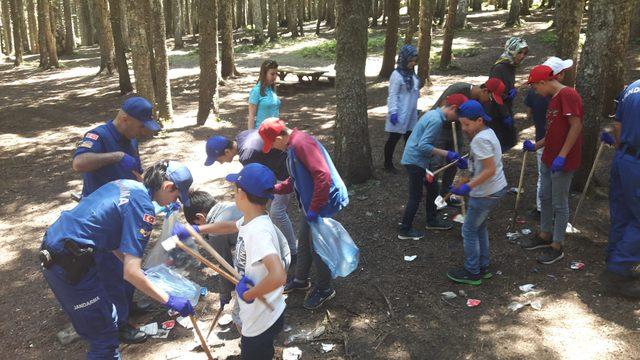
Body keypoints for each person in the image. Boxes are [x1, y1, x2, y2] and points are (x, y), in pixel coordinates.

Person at [40, 161, 195, 359]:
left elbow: (111, 238)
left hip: (62, 247)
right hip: (67, 261)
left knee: (108, 318)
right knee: (104, 338)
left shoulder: (126, 184)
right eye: (177, 195)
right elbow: (130, 273)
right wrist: (169, 300)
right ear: (166, 186)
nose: (177, 201)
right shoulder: (144, 209)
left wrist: (141, 273)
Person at [71, 96, 161, 343]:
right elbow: (78, 163)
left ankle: (128, 305)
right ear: (124, 119)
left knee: (132, 260)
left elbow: (135, 172)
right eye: (141, 126)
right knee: (111, 270)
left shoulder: (131, 138)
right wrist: (116, 156)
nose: (143, 132)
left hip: (126, 212)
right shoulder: (98, 136)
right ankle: (118, 325)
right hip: (102, 218)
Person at [176, 164, 288, 358]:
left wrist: (251, 293)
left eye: (234, 190)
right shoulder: (250, 220)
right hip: (263, 312)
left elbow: (279, 276)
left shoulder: (258, 232)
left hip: (261, 319)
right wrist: (197, 230)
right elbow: (229, 226)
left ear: (242, 193)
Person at [259, 118, 349, 309]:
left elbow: (322, 176)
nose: (274, 149)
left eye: (272, 144)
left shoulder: (302, 144)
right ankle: (301, 279)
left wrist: (315, 209)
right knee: (304, 240)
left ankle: (325, 289)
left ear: (278, 137)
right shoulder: (292, 147)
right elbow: (295, 180)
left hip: (323, 201)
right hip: (312, 204)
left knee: (318, 247)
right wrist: (274, 188)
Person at [203, 131, 297, 264]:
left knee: (277, 212)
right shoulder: (241, 136)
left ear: (227, 152)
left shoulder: (246, 155)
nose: (220, 163)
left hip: (285, 173)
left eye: (219, 159)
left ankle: (292, 253)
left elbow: (254, 183)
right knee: (271, 211)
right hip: (282, 165)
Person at [521, 65, 583, 265]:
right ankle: (545, 234)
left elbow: (576, 126)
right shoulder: (553, 99)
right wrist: (536, 145)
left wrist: (562, 155)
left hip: (562, 161)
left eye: (534, 87)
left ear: (543, 82)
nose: (535, 91)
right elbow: (554, 130)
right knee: (544, 196)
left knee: (559, 202)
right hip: (549, 156)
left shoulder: (568, 94)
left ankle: (557, 245)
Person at [446, 100, 508, 285]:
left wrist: (468, 187)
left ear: (479, 120)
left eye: (467, 124)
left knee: (468, 229)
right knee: (479, 227)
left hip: (486, 193)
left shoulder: (480, 140)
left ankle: (472, 271)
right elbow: (483, 166)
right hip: (496, 189)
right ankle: (483, 265)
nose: (464, 128)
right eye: (461, 124)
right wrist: (466, 176)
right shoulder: (488, 133)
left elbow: (489, 170)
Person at [397, 94, 469, 240]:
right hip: (415, 161)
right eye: (458, 114)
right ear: (453, 108)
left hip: (419, 161)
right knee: (415, 196)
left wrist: (451, 157)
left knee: (433, 188)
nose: (457, 119)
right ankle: (405, 230)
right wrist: (448, 154)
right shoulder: (436, 120)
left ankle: (432, 220)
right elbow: (423, 146)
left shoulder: (433, 114)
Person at [430, 78, 505, 205]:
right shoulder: (459, 88)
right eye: (491, 98)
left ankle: (446, 194)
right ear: (485, 90)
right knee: (436, 163)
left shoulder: (478, 101)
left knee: (455, 161)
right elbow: (443, 108)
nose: (490, 102)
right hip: (441, 127)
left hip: (458, 128)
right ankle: (432, 198)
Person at [601, 79, 640, 297]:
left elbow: (617, 125)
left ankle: (614, 259)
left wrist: (621, 147)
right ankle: (617, 271)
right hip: (636, 163)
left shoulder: (632, 87)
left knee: (622, 212)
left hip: (623, 158)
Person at [524, 57, 574, 220]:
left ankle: (546, 211)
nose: (564, 75)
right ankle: (548, 212)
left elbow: (528, 113)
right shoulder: (553, 96)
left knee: (546, 179)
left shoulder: (554, 95)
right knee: (550, 180)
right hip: (552, 143)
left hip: (547, 141)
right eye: (562, 72)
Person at [384, 45, 420, 173]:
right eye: (410, 60)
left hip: (411, 113)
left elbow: (414, 92)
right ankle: (387, 164)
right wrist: (393, 112)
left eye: (414, 61)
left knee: (409, 139)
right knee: (393, 139)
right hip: (399, 113)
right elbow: (392, 95)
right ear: (404, 59)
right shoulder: (396, 75)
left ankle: (408, 162)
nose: (413, 63)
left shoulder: (412, 74)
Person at [488, 37, 528, 151]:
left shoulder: (511, 66)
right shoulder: (499, 68)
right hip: (497, 113)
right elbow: (494, 93)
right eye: (519, 52)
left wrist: (512, 90)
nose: (522, 56)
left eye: (524, 53)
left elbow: (506, 85)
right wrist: (505, 115)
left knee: (508, 142)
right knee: (498, 145)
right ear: (511, 51)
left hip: (506, 108)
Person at [248, 60, 281, 130]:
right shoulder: (256, 91)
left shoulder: (272, 89)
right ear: (264, 74)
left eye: (276, 73)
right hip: (261, 133)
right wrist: (250, 135)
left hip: (275, 131)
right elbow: (251, 116)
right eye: (272, 74)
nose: (275, 77)